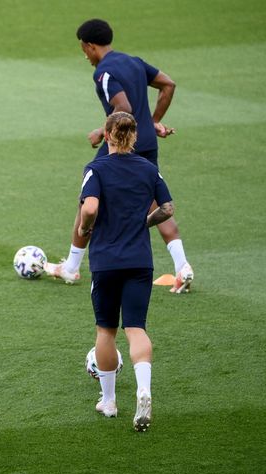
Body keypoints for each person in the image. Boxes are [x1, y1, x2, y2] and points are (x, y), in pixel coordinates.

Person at [45, 18, 193, 293]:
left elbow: (122, 106)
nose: (84, 55)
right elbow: (168, 84)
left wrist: (102, 132)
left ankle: (72, 267)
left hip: (123, 141)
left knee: (89, 194)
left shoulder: (103, 73)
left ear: (89, 46)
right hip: (145, 142)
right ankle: (182, 266)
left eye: (83, 49)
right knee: (154, 201)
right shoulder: (134, 62)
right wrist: (151, 123)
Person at [79, 111, 173, 431]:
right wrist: (145, 223)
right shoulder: (149, 169)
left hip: (106, 260)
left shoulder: (96, 169)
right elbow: (168, 208)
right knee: (136, 327)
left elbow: (90, 207)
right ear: (134, 137)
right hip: (139, 260)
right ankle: (144, 390)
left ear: (106, 135)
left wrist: (85, 226)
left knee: (106, 329)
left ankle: (109, 400)